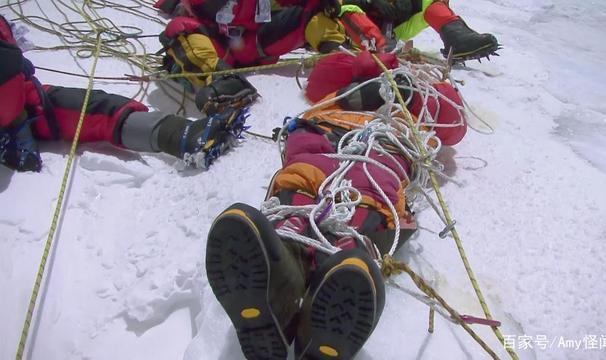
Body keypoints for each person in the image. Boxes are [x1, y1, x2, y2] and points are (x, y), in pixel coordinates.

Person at [204, 50, 466, 359]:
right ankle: (289, 263)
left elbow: (453, 124)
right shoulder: (354, 69)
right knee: (303, 176)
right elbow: (319, 80)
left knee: (370, 183)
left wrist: (418, 91)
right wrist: (372, 64)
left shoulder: (425, 90)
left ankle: (329, 262)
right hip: (325, 126)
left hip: (384, 137)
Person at [0, 15, 247, 172]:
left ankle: (180, 132)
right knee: (96, 110)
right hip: (21, 107)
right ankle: (182, 135)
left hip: (22, 100)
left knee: (94, 107)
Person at [154, 0, 349, 116]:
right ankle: (222, 81)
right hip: (218, 46)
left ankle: (340, 59)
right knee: (179, 29)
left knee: (313, 10)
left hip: (256, 42)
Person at [338, 0, 500, 61]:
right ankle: (380, 48)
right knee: (344, 8)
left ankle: (457, 39)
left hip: (392, 26)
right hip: (351, 30)